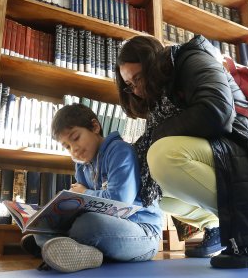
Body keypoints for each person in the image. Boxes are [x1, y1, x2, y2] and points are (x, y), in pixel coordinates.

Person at [115, 35, 248, 268]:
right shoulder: (161, 98)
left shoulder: (191, 57)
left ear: (152, 62)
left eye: (138, 78)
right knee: (146, 184)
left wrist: (155, 135)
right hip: (226, 155)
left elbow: (216, 113)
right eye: (129, 85)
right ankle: (215, 225)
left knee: (162, 155)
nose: (136, 91)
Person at [21, 103, 163, 273]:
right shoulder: (81, 165)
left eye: (75, 138)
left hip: (143, 233)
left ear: (95, 127)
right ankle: (62, 247)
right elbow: (82, 206)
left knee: (88, 225)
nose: (74, 149)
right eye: (67, 146)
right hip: (107, 232)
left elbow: (120, 200)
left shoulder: (119, 150)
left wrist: (83, 192)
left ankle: (54, 246)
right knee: (43, 225)